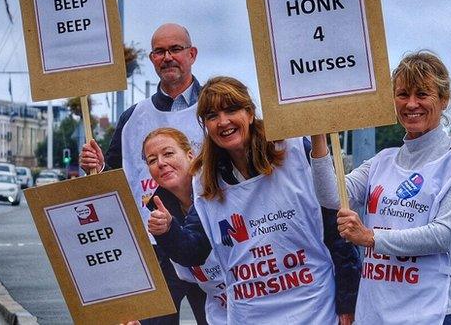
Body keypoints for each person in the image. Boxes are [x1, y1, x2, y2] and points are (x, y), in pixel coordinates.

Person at [149, 76, 359, 324]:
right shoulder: (205, 179)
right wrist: (167, 230)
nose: (223, 122)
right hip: (250, 313)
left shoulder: (293, 151)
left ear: (249, 113)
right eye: (212, 116)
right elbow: (195, 250)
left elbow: (337, 232)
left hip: (312, 308)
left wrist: (348, 301)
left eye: (231, 110)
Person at [310, 50, 451, 325]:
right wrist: (318, 136)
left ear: (444, 100)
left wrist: (371, 237)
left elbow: (443, 235)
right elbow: (331, 196)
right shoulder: (382, 160)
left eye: (422, 94)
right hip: (379, 309)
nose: (411, 104)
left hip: (436, 311)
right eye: (403, 94)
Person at [79, 23, 205, 325]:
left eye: (175, 49)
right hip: (152, 252)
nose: (168, 57)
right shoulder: (133, 117)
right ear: (151, 59)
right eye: (160, 51)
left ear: (192, 54)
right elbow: (112, 177)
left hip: (211, 246)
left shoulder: (215, 107)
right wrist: (95, 168)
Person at [141, 127, 226, 325]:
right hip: (217, 298)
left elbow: (194, 248)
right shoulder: (159, 204)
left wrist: (169, 230)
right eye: (152, 160)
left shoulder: (217, 184)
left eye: (168, 153)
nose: (161, 163)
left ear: (190, 155)